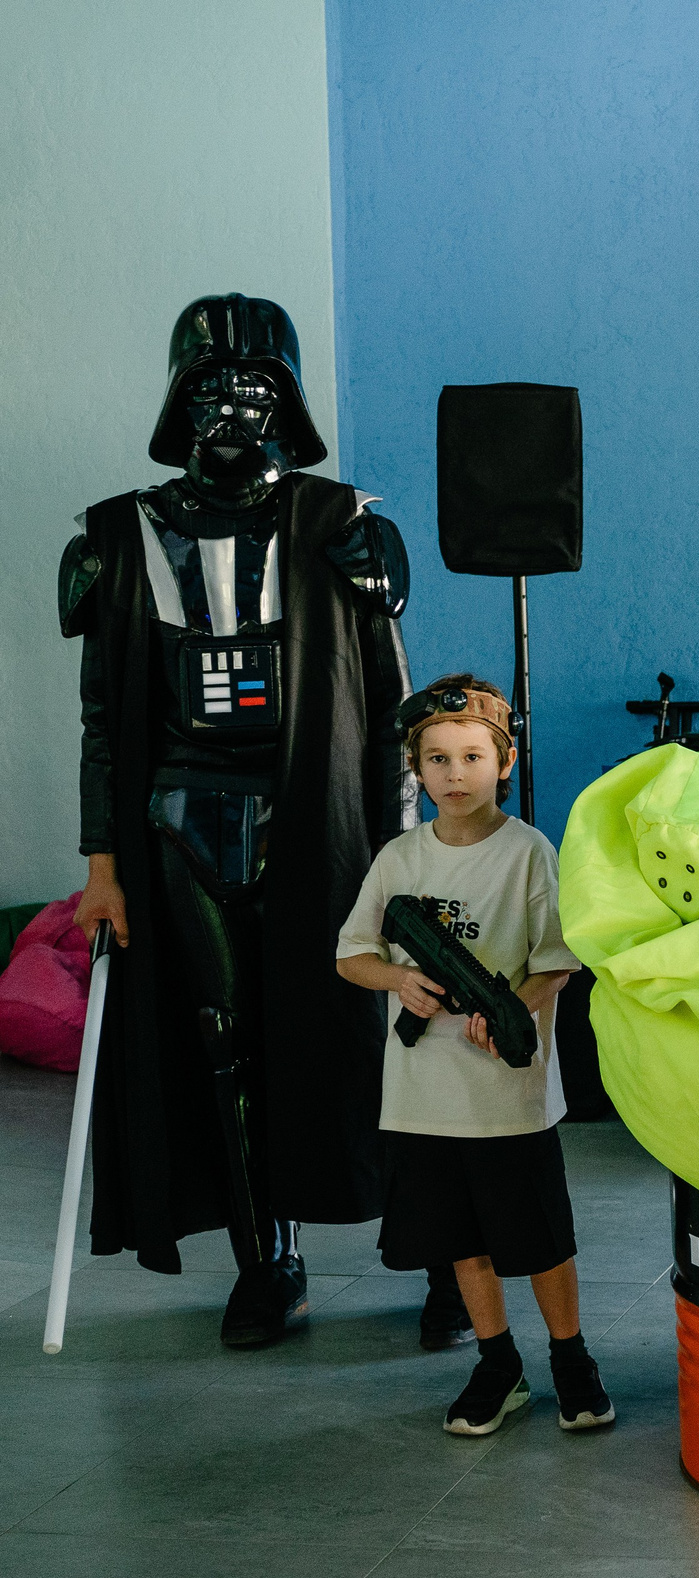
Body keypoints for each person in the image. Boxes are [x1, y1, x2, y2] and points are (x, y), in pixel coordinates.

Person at [58, 293, 474, 1350]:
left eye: (254, 388)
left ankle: (439, 1262)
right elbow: (106, 719)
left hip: (326, 829)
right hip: (182, 829)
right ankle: (265, 1261)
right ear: (176, 400)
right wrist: (103, 866)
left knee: (385, 1039)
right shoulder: (116, 539)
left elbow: (391, 705)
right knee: (221, 1047)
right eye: (211, 388)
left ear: (285, 402)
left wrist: (409, 850)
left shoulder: (344, 528)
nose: (233, 409)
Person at [334, 676, 611, 1436]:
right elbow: (351, 954)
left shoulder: (528, 853)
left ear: (505, 761)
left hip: (508, 1093)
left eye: (471, 756)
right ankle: (498, 1363)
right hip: (426, 1096)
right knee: (462, 1242)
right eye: (436, 759)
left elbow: (562, 959)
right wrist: (402, 980)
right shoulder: (398, 858)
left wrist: (510, 1006)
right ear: (416, 772)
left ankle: (570, 1357)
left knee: (541, 1239)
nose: (454, 775)